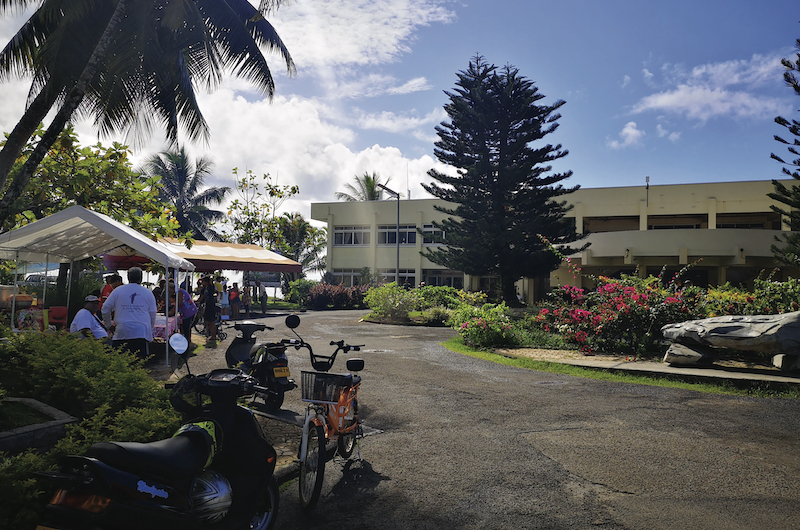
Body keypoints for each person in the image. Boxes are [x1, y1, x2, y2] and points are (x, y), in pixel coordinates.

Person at [102, 267, 157, 359]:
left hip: (122, 330)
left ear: (128, 277)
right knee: (139, 362)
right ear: (141, 278)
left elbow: (105, 308)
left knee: (120, 362)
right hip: (141, 331)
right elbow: (152, 313)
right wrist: (149, 329)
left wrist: (108, 325)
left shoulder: (118, 291)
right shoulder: (147, 292)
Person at [170, 279, 198, 346]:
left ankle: (187, 344)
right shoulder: (178, 292)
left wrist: (171, 312)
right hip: (187, 312)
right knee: (186, 328)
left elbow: (178, 303)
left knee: (186, 329)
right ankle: (188, 342)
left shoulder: (179, 292)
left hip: (189, 312)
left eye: (169, 290)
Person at [200, 275, 219, 346]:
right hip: (207, 305)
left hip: (211, 306)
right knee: (208, 321)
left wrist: (210, 278)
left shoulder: (211, 287)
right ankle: (211, 334)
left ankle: (213, 336)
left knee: (211, 321)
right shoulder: (204, 288)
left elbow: (211, 279)